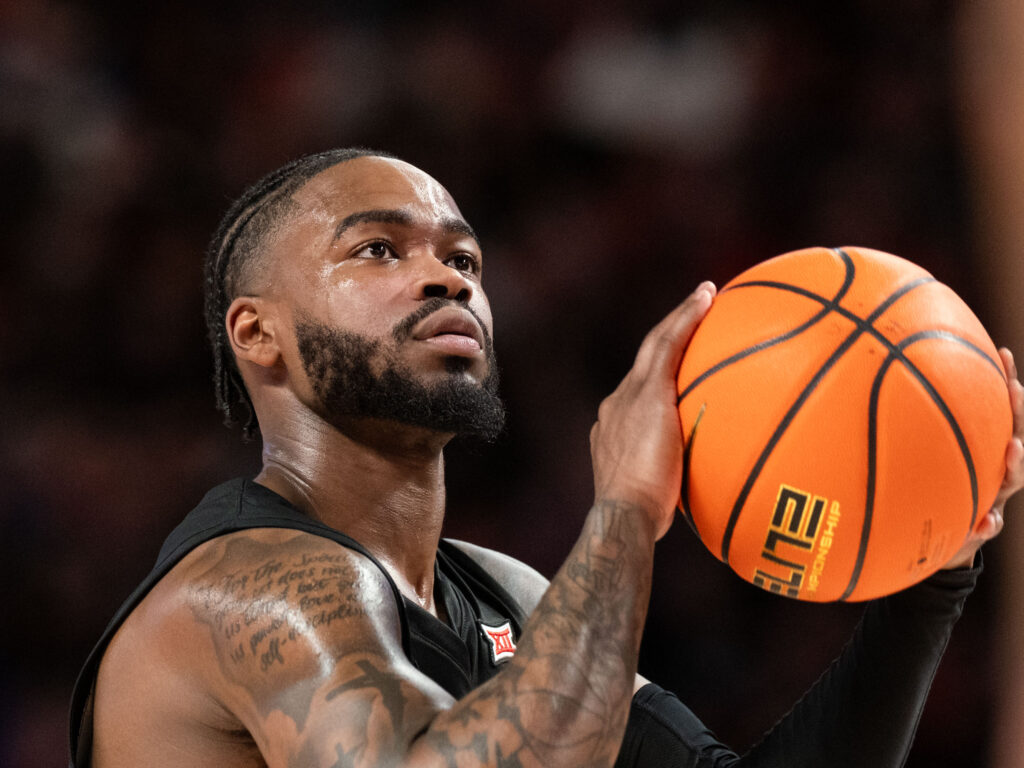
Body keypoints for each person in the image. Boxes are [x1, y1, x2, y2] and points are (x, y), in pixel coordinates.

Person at [69, 148, 1024, 768]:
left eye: (465, 260)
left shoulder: (503, 595)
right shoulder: (244, 589)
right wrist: (623, 515)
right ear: (257, 333)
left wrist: (931, 573)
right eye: (376, 250)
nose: (445, 274)